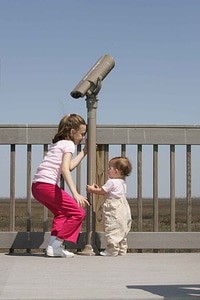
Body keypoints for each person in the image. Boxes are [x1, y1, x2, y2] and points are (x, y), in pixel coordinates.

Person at [32, 114, 90, 258]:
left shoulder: (58, 144)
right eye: (81, 134)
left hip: (37, 186)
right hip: (47, 186)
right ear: (72, 132)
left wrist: (84, 152)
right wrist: (75, 193)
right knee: (78, 213)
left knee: (61, 213)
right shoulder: (69, 144)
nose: (82, 138)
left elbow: (68, 166)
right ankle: (56, 244)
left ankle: (53, 247)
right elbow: (65, 169)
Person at [86, 156, 132, 256]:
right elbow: (107, 191)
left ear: (116, 171)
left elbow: (102, 191)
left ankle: (112, 249)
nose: (108, 170)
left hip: (113, 207)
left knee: (112, 226)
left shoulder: (111, 181)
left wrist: (91, 189)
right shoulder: (122, 182)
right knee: (121, 226)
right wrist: (100, 189)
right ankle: (122, 249)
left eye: (109, 168)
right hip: (123, 206)